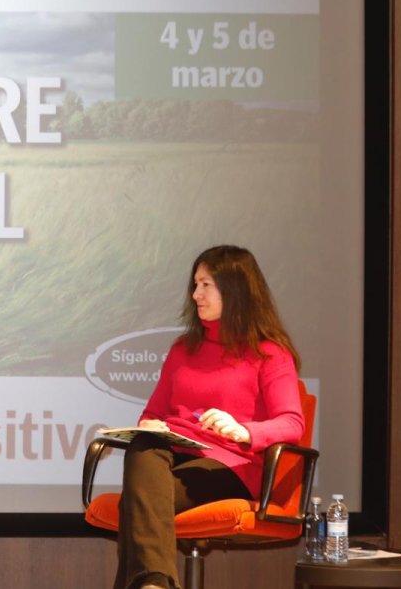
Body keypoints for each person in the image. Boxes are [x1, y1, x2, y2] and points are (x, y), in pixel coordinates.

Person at [114, 245, 306, 589]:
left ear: (235, 290)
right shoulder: (182, 350)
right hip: (175, 458)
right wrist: (150, 425)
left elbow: (292, 423)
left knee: (137, 504)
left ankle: (153, 583)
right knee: (143, 445)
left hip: (230, 466)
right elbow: (153, 412)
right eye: (195, 284)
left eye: (206, 285)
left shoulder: (270, 354)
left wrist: (242, 430)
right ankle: (155, 584)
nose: (195, 294)